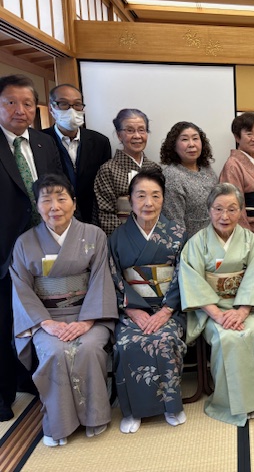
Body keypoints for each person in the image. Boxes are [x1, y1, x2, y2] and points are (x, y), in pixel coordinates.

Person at [11, 174, 117, 446]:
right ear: (37, 206)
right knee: (55, 352)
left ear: (74, 202)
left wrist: (87, 321)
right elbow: (22, 289)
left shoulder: (94, 235)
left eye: (61, 198)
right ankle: (59, 423)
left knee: (89, 348)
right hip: (46, 320)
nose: (54, 207)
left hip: (88, 314)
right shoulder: (24, 243)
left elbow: (101, 279)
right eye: (46, 200)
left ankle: (95, 415)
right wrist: (47, 324)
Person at [179, 183, 254, 426]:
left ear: (241, 211)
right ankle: (230, 404)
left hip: (245, 307)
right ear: (209, 210)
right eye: (218, 209)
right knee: (228, 337)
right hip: (211, 309)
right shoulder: (197, 243)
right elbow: (192, 281)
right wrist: (218, 315)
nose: (225, 216)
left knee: (252, 332)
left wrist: (242, 311)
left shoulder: (250, 240)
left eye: (232, 209)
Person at [0, 74, 63, 422]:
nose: (20, 110)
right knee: (4, 320)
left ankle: (29, 378)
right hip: (4, 246)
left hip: (42, 245)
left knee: (40, 314)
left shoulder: (43, 142)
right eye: (10, 102)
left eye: (26, 103)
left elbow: (55, 186)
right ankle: (2, 393)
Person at [108, 170, 188, 434]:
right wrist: (132, 310)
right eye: (141, 196)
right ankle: (133, 410)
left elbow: (184, 275)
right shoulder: (117, 237)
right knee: (126, 343)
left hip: (170, 309)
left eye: (155, 195)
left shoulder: (177, 234)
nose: (148, 203)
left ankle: (171, 406)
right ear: (130, 199)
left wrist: (166, 310)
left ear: (163, 199)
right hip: (132, 310)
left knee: (164, 340)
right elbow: (114, 277)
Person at [42, 84, 112, 223]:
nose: (72, 110)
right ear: (51, 108)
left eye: (77, 104)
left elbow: (104, 184)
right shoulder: (40, 141)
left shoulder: (100, 142)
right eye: (63, 104)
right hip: (54, 216)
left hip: (92, 216)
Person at [94, 108, 161, 235]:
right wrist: (129, 239)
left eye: (141, 130)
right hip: (122, 239)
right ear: (119, 135)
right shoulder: (108, 170)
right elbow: (105, 215)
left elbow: (162, 208)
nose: (137, 136)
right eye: (130, 130)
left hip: (154, 237)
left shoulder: (155, 168)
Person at [219, 112, 254, 243]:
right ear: (237, 137)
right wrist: (246, 237)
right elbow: (232, 204)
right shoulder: (233, 165)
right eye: (249, 134)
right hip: (251, 228)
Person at [160, 121, 218, 239]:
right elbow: (175, 223)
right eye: (185, 139)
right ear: (174, 146)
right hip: (190, 244)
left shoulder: (208, 170)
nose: (191, 144)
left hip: (214, 239)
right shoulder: (172, 176)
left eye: (195, 138)